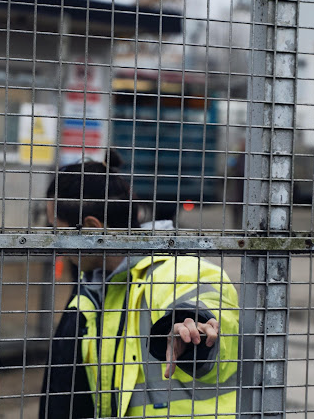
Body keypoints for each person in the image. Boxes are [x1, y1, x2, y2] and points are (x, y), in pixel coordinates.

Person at [39, 157, 239, 418]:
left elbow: (212, 311)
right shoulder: (94, 292)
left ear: (91, 229)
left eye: (57, 230)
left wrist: (194, 332)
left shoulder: (180, 270)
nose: (54, 242)